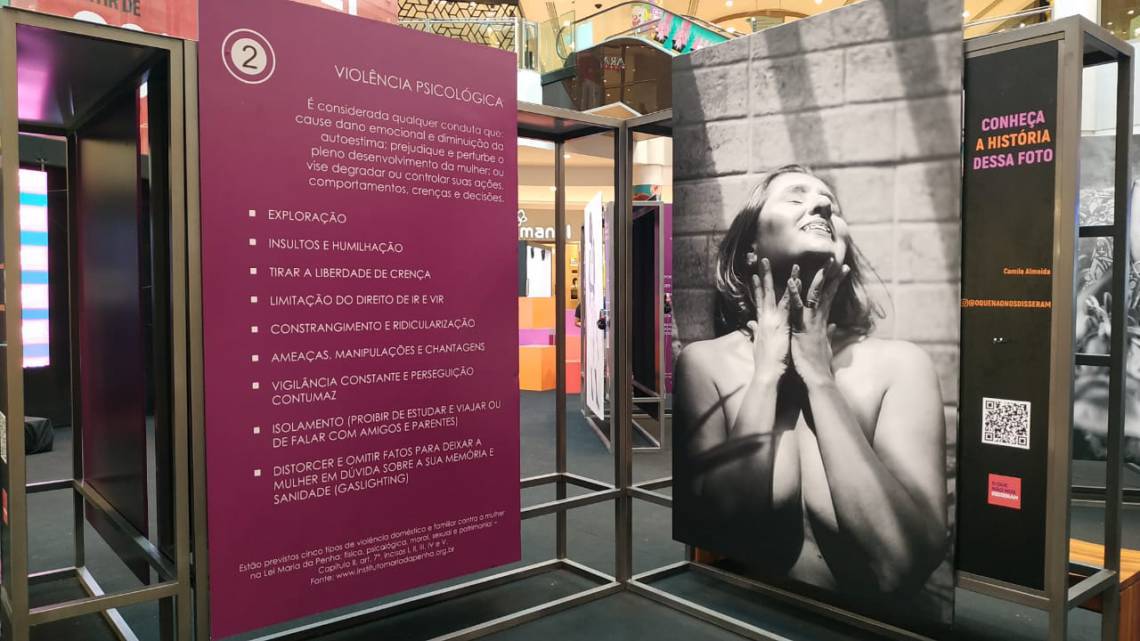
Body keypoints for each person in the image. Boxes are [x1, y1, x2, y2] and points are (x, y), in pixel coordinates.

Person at [674, 165, 947, 597]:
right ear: (750, 247)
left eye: (830, 204)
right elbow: (717, 530)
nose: (821, 204)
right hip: (744, 615)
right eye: (796, 197)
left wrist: (820, 378)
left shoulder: (900, 366)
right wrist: (766, 374)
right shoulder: (705, 365)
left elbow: (902, 563)